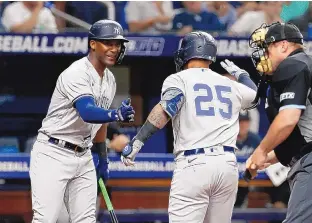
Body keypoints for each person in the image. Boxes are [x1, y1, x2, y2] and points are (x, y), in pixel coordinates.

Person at [120, 31, 257, 223]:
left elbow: (166, 108)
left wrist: (138, 141)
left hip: (195, 164)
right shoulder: (229, 83)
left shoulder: (179, 78)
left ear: (186, 53)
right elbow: (254, 95)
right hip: (227, 165)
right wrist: (242, 74)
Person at [29, 19, 135, 223]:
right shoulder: (76, 73)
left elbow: (101, 123)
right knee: (46, 219)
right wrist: (116, 114)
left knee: (86, 219)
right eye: (108, 43)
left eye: (117, 44)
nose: (114, 49)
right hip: (53, 152)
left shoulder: (110, 79)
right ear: (93, 44)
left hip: (84, 154)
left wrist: (102, 159)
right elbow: (87, 111)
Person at [245, 22, 312, 223]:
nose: (263, 55)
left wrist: (261, 150)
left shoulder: (293, 64)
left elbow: (288, 119)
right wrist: (268, 157)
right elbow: (301, 135)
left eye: (267, 48)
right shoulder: (303, 64)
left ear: (283, 46)